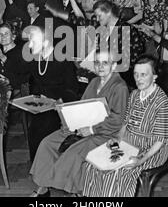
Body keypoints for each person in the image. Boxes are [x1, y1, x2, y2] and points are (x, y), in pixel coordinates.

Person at [30, 50, 129, 196]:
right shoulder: (95, 82)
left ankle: (76, 191)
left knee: (73, 154)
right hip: (84, 127)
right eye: (97, 63)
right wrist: (66, 114)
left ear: (113, 66)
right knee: (47, 143)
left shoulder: (120, 87)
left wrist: (92, 129)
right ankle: (43, 186)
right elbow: (82, 106)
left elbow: (117, 120)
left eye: (105, 63)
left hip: (105, 134)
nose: (100, 66)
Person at [81, 55, 168, 197]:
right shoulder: (135, 94)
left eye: (143, 75)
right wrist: (117, 139)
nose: (138, 79)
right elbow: (125, 124)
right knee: (92, 165)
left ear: (154, 76)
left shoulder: (161, 102)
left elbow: (160, 141)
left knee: (117, 172)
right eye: (136, 74)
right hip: (129, 143)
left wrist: (140, 161)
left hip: (151, 150)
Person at [24, 25, 79, 162]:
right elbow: (35, 83)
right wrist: (36, 97)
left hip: (60, 106)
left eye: (33, 41)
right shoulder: (35, 58)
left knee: (45, 129)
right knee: (34, 131)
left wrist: (60, 101)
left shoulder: (62, 59)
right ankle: (37, 168)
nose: (30, 45)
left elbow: (72, 87)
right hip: (43, 104)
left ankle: (48, 169)